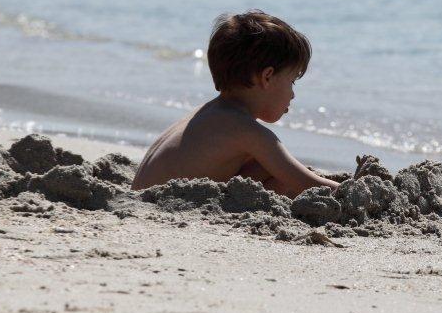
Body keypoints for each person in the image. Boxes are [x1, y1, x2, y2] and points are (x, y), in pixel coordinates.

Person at [132, 11, 339, 198]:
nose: (293, 95)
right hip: (163, 205)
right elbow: (309, 185)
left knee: (267, 167)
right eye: (292, 81)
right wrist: (353, 191)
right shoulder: (249, 132)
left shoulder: (206, 115)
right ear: (267, 77)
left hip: (145, 196)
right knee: (282, 177)